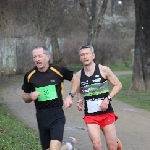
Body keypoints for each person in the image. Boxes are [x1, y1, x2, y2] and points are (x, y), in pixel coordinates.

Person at [21, 46, 79, 150]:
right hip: (41, 116)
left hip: (56, 114)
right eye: (35, 57)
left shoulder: (58, 70)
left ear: (47, 57)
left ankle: (69, 145)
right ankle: (69, 146)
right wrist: (30, 96)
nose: (37, 59)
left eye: (40, 56)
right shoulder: (29, 75)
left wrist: (70, 96)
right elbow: (25, 97)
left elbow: (76, 80)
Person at [75, 45, 122, 150]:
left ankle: (115, 142)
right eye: (82, 55)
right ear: (80, 58)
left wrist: (107, 99)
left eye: (87, 54)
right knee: (96, 145)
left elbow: (118, 85)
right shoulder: (78, 75)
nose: (85, 56)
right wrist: (79, 99)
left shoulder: (103, 70)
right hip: (90, 115)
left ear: (93, 55)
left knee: (112, 146)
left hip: (106, 113)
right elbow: (79, 90)